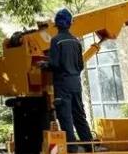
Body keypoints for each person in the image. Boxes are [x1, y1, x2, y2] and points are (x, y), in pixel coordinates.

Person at [46, 8, 93, 153]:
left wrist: (44, 64)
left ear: (57, 24)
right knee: (79, 114)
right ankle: (89, 146)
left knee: (65, 116)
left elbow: (54, 64)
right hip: (76, 83)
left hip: (62, 84)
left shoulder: (56, 41)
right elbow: (80, 65)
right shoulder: (75, 41)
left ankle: (72, 149)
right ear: (69, 24)